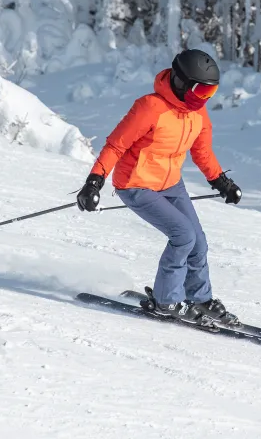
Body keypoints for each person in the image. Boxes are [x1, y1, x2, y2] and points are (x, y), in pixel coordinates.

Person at [77, 49, 243, 326]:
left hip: (170, 184)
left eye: (209, 92)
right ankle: (167, 300)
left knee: (198, 241)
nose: (204, 98)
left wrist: (221, 182)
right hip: (136, 184)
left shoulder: (197, 113)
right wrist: (94, 181)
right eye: (200, 90)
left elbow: (202, 152)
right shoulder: (150, 107)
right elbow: (117, 144)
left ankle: (199, 297)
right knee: (183, 235)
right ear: (181, 82)